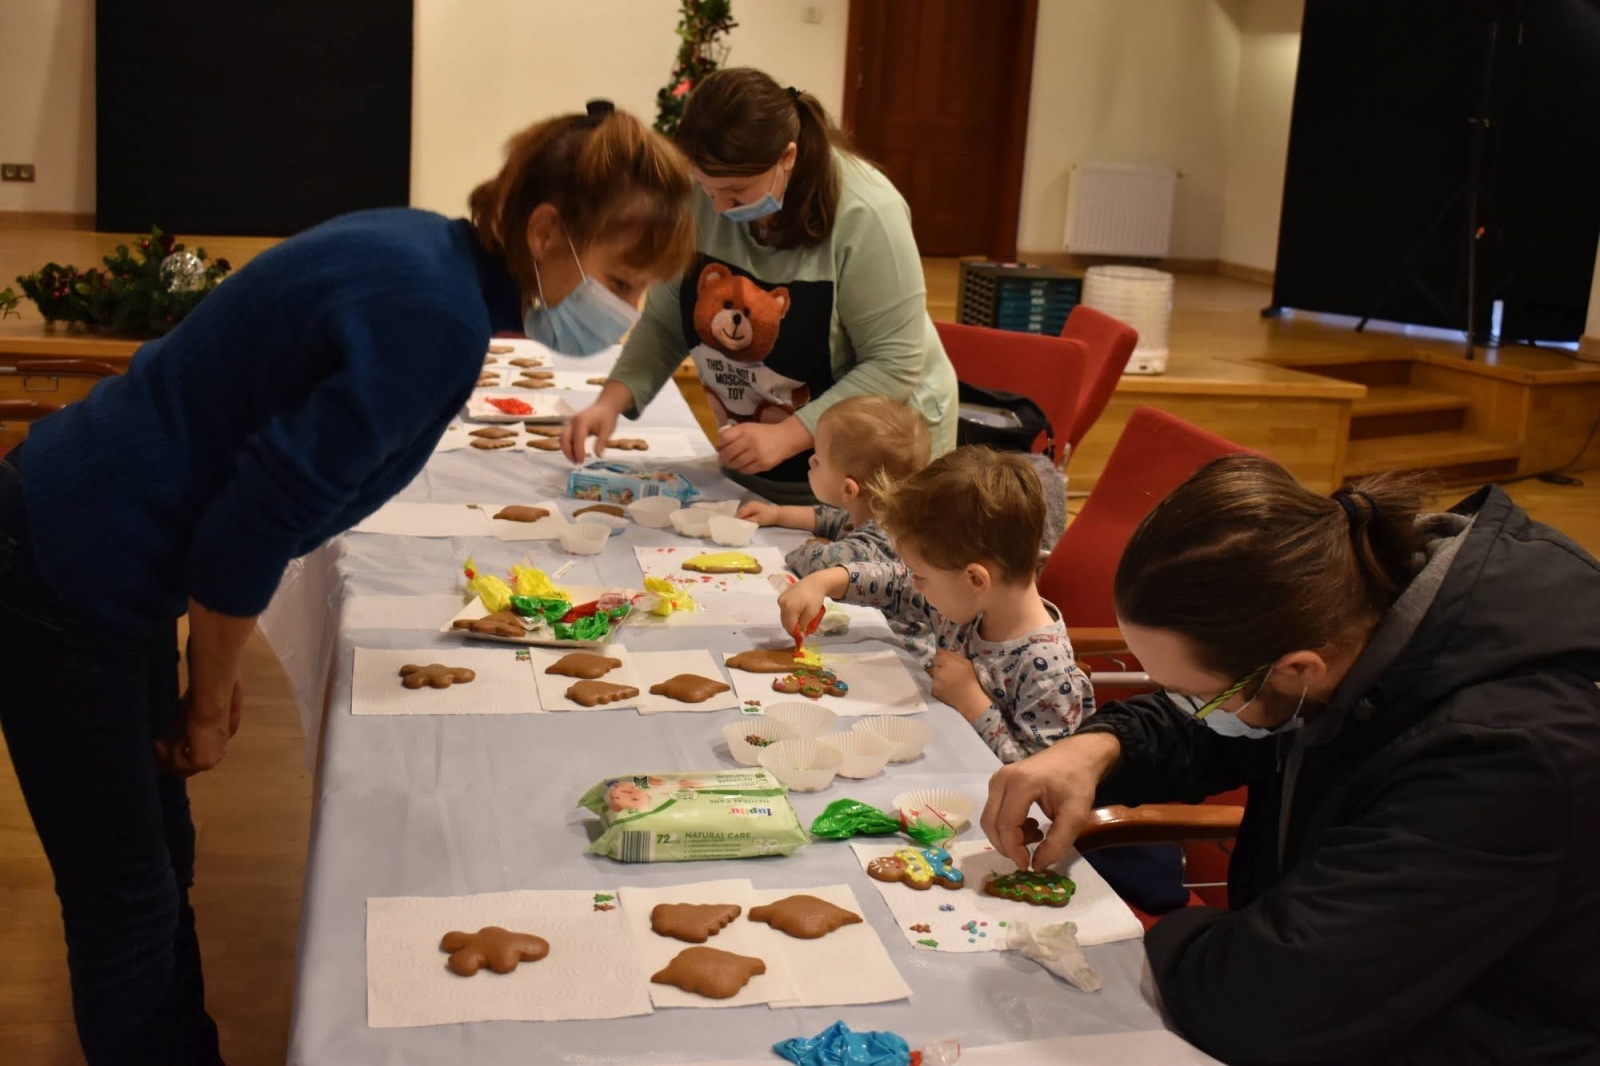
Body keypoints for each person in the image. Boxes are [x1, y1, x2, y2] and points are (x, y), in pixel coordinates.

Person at [0, 102, 693, 1064]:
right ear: (545, 231)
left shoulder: (430, 253)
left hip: (102, 551)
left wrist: (211, 664)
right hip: (66, 567)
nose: (625, 309)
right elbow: (245, 536)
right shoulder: (434, 321)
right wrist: (208, 699)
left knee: (159, 861)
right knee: (124, 891)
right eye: (621, 278)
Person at [981, 455, 1600, 1064]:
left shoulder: (1502, 760)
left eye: (1200, 695)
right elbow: (1223, 722)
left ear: (1302, 669)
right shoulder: (1352, 613)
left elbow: (1260, 1004)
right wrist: (1098, 747)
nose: (1190, 709)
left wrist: (1151, 932)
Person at [560, 66, 958, 505]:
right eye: (705, 188)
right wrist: (610, 402)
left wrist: (788, 435)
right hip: (773, 458)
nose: (717, 206)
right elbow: (665, 318)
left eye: (735, 191)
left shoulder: (868, 214)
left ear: (786, 158)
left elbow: (894, 363)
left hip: (871, 467)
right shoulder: (705, 192)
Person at [779, 446, 1094, 763]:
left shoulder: (1046, 672)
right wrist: (828, 580)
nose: (913, 583)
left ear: (975, 580)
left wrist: (973, 702)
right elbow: (895, 584)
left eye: (921, 576)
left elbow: (1043, 783)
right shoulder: (971, 601)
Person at [739, 394, 931, 576]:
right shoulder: (872, 515)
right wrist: (777, 514)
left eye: (819, 460)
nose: (811, 461)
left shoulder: (882, 539)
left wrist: (821, 550)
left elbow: (818, 564)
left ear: (848, 489)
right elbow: (827, 518)